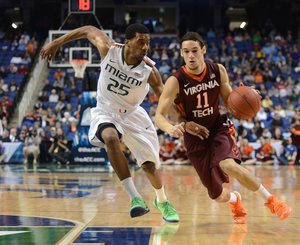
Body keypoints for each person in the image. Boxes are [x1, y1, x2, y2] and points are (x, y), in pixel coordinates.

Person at [40, 23, 180, 222]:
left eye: (147, 43)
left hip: (133, 115)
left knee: (149, 166)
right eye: (141, 42)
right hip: (105, 111)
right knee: (110, 137)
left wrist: (183, 122)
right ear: (128, 43)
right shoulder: (108, 49)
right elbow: (87, 29)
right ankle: (135, 198)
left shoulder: (150, 71)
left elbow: (166, 101)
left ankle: (162, 200)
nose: (145, 47)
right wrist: (56, 42)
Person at [154, 31, 292, 223]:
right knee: (217, 195)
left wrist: (246, 95)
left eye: (194, 50)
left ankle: (272, 201)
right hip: (194, 137)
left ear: (203, 50)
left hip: (217, 126)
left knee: (228, 164)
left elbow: (230, 104)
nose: (191, 55)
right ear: (182, 53)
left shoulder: (218, 71)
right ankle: (235, 199)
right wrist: (172, 128)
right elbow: (158, 116)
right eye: (186, 52)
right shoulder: (175, 80)